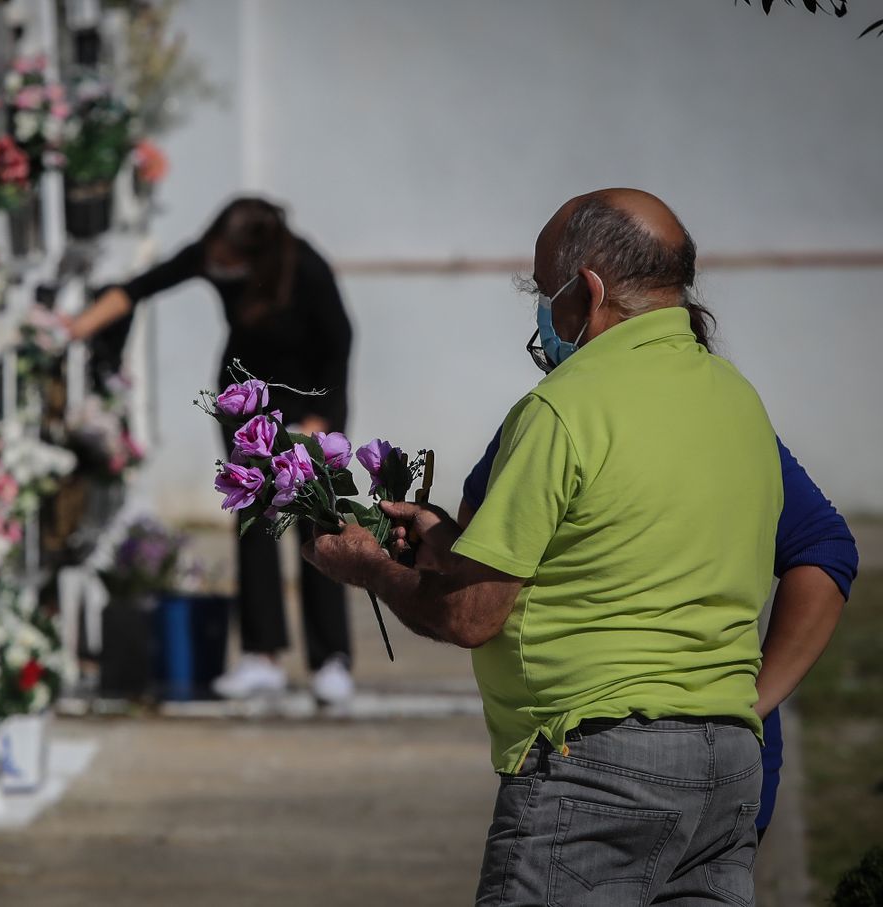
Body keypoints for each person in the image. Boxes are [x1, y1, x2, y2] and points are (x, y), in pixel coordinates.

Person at [304, 188, 785, 905]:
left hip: (598, 768)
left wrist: (368, 566)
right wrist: (448, 540)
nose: (540, 313)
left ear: (587, 289)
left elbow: (472, 616)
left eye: (541, 289)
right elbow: (615, 547)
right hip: (728, 767)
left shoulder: (565, 405)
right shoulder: (737, 398)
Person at [462, 427, 855, 841]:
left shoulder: (560, 415)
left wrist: (399, 568)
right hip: (728, 771)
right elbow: (826, 549)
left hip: (592, 765)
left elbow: (472, 600)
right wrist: (750, 707)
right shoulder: (731, 413)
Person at [69, 197, 355, 703]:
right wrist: (74, 329)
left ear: (258, 255)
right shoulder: (208, 255)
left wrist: (321, 421)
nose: (219, 262)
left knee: (316, 528)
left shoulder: (306, 267)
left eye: (230, 256)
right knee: (255, 523)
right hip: (245, 401)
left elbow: (340, 342)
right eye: (216, 250)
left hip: (309, 404)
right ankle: (261, 655)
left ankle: (331, 659)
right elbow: (139, 288)